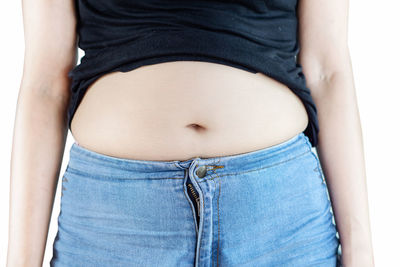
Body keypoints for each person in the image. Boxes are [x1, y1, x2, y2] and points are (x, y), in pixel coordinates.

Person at [7, 0, 374, 266]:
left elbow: (328, 71)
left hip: (278, 219)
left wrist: (361, 250)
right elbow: (44, 85)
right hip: (116, 224)